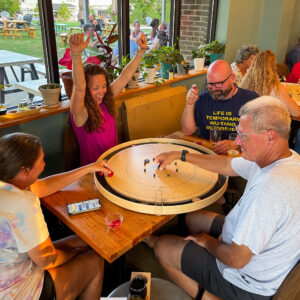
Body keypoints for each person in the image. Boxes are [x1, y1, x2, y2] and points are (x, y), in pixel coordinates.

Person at [147, 96, 300, 300]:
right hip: (258, 252)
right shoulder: (284, 158)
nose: (236, 142)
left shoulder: (270, 191)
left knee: (163, 247)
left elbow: (236, 259)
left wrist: (206, 241)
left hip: (247, 282)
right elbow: (225, 165)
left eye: (243, 135)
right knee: (192, 218)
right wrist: (179, 155)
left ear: (270, 136)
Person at [0, 132, 112, 299]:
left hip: (18, 263)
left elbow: (43, 186)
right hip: (18, 291)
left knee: (85, 240)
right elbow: (47, 260)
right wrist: (74, 252)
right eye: (41, 160)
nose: (44, 165)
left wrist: (90, 168)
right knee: (95, 260)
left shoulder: (9, 183)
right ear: (24, 171)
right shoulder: (22, 202)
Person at [69, 33, 147, 166]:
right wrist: (76, 56)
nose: (101, 92)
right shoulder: (80, 113)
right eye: (95, 88)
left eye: (104, 86)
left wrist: (141, 52)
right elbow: (79, 87)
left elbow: (124, 77)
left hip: (113, 169)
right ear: (87, 90)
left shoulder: (105, 103)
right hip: (92, 177)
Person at [181, 60, 258, 154]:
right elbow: (187, 132)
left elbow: (259, 135)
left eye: (218, 84)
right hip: (208, 152)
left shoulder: (250, 100)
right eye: (210, 84)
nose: (213, 89)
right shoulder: (202, 98)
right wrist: (189, 105)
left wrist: (237, 144)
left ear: (232, 78)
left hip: (236, 155)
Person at [240, 50, 300, 118]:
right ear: (273, 67)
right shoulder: (276, 88)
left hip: (245, 123)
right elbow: (296, 113)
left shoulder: (244, 83)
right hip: (265, 125)